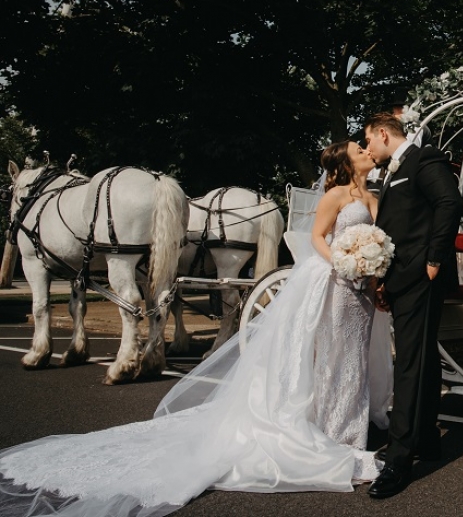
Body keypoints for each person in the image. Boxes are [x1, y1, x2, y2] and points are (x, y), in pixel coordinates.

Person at [0, 140, 391, 517]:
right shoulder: (335, 196)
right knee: (331, 354)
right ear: (344, 162)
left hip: (362, 290)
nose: (365, 150)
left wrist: (373, 268)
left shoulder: (373, 198)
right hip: (336, 282)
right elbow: (318, 238)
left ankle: (349, 430)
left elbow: (379, 239)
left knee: (353, 355)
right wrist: (344, 262)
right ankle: (328, 429)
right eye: (358, 149)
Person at [363, 112, 463, 499]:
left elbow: (449, 202)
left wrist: (435, 258)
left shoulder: (425, 159)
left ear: (384, 134)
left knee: (408, 364)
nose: (368, 147)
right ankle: (425, 439)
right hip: (403, 279)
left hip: (423, 277)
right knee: (420, 360)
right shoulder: (393, 170)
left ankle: (399, 461)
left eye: (369, 140)